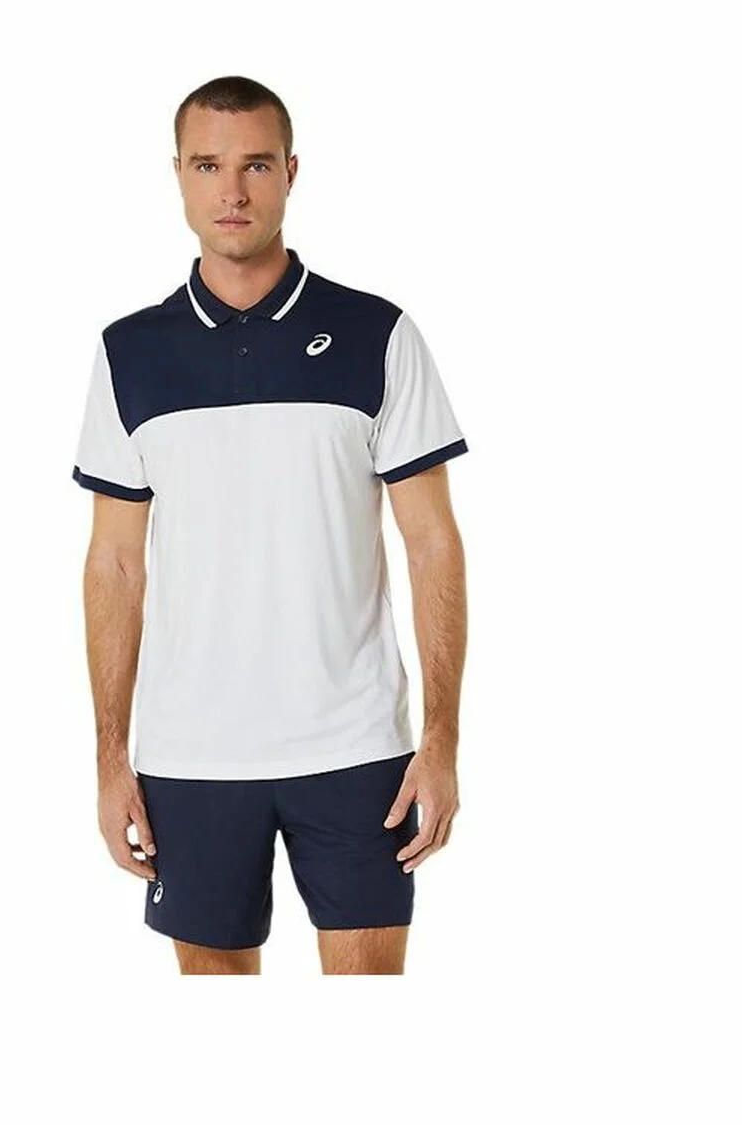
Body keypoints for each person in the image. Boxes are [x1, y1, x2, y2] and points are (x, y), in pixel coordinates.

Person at [71, 75, 469, 975]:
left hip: (358, 747)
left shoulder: (378, 334)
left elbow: (432, 543)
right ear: (178, 175)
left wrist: (442, 738)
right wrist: (110, 758)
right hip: (191, 755)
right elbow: (114, 566)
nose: (233, 191)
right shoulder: (129, 353)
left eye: (255, 165)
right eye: (208, 165)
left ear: (290, 172)